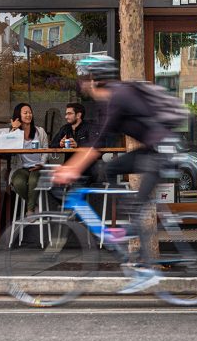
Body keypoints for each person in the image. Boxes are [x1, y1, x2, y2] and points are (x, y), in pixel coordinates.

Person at [52, 55, 176, 294]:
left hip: (164, 151)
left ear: (94, 79)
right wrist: (73, 169)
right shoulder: (110, 101)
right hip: (152, 149)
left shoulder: (118, 97)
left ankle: (144, 269)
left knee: (136, 205)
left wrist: (69, 170)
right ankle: (121, 230)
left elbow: (96, 144)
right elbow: (97, 146)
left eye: (84, 79)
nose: (81, 84)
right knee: (108, 169)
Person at [8, 103, 49, 216]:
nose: (28, 115)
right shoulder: (15, 132)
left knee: (33, 181)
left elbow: (46, 150)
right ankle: (34, 205)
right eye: (25, 113)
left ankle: (30, 211)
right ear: (18, 115)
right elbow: (7, 147)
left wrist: (41, 163)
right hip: (21, 168)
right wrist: (14, 129)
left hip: (38, 167)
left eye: (30, 112)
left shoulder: (40, 132)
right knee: (18, 182)